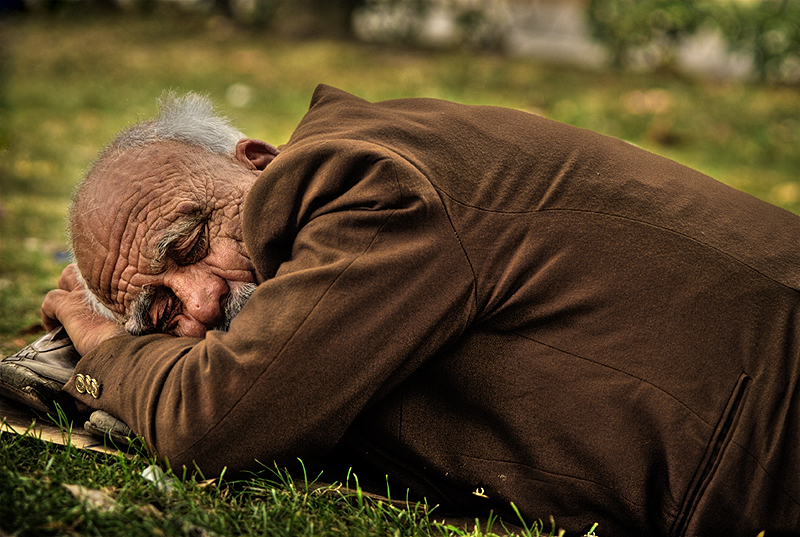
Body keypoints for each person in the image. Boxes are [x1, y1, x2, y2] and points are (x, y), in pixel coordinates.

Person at [26, 85, 800, 536]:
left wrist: (103, 342)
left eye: (192, 239)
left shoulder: (357, 182)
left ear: (259, 161)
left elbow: (215, 420)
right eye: (157, 311)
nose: (200, 297)